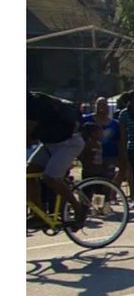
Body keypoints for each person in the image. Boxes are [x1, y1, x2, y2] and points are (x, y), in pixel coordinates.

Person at [26, 92, 88, 225]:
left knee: (49, 177)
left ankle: (78, 208)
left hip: (69, 143)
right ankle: (39, 214)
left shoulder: (32, 104)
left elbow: (28, 136)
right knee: (29, 173)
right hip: (50, 144)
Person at [81, 96, 121, 182]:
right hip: (91, 157)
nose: (102, 107)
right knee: (89, 181)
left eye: (104, 105)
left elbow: (119, 141)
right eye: (100, 105)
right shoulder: (86, 120)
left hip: (110, 156)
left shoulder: (115, 124)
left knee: (108, 181)